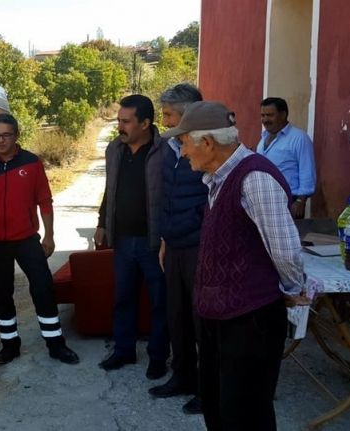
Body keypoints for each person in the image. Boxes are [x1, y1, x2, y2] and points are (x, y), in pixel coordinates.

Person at [162, 101, 311, 430]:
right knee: (219, 406)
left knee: (246, 413)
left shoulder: (254, 177)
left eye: (185, 142)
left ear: (208, 143)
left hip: (250, 319)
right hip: (221, 316)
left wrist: (289, 289)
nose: (183, 151)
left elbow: (285, 249)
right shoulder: (218, 179)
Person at [0, 113, 79, 365]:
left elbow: (45, 201)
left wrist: (49, 235)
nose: (0, 140)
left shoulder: (31, 163)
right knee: (1, 293)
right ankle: (10, 345)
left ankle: (56, 344)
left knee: (43, 287)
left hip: (27, 239)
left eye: (6, 135)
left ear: (16, 135)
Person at [95, 94, 170, 380]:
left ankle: (158, 357)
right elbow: (109, 188)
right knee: (123, 298)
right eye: (119, 121)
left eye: (126, 122)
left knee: (159, 301)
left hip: (154, 241)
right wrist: (102, 221)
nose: (120, 127)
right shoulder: (115, 149)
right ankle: (124, 351)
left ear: (146, 123)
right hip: (123, 240)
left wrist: (167, 237)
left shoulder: (166, 151)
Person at [149, 84, 205, 415]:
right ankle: (182, 376)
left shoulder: (206, 145)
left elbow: (211, 199)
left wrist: (189, 229)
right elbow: (167, 197)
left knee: (202, 321)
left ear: (188, 114)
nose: (165, 120)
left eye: (169, 114)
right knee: (177, 315)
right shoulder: (170, 146)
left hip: (200, 244)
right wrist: (165, 241)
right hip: (175, 244)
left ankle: (206, 386)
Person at [256, 97, 316, 219]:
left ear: (283, 115)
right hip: (263, 200)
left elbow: (307, 171)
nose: (265, 120)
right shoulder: (263, 138)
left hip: (288, 201)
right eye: (263, 115)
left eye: (270, 115)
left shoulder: (299, 138)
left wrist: (300, 201)